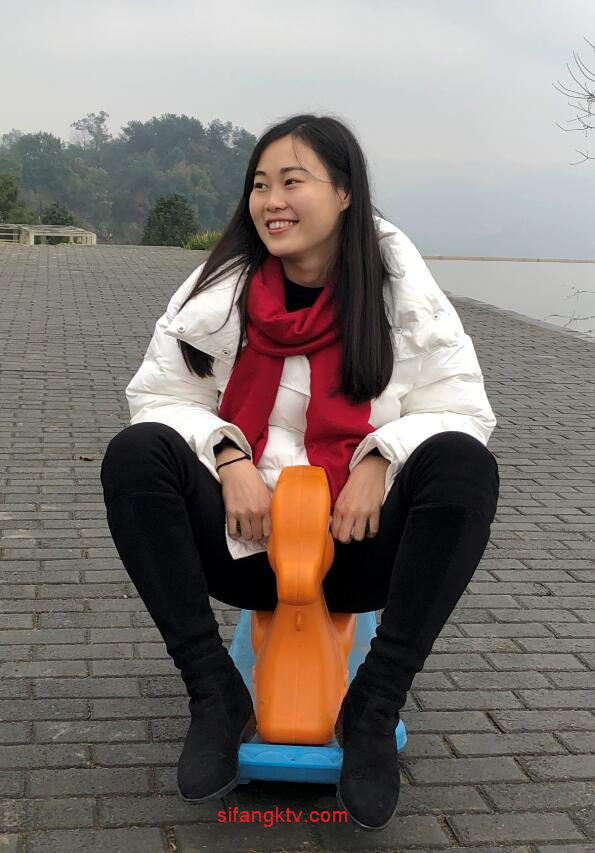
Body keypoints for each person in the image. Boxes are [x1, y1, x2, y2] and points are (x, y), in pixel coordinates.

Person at [100, 113, 500, 832]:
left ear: (344, 193)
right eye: (259, 184)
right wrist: (228, 457)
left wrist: (380, 455)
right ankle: (212, 690)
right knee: (136, 454)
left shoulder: (402, 300)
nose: (271, 201)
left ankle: (374, 704)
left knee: (463, 465)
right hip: (247, 544)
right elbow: (158, 397)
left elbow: (461, 409)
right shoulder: (216, 294)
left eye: (293, 181)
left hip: (355, 549)